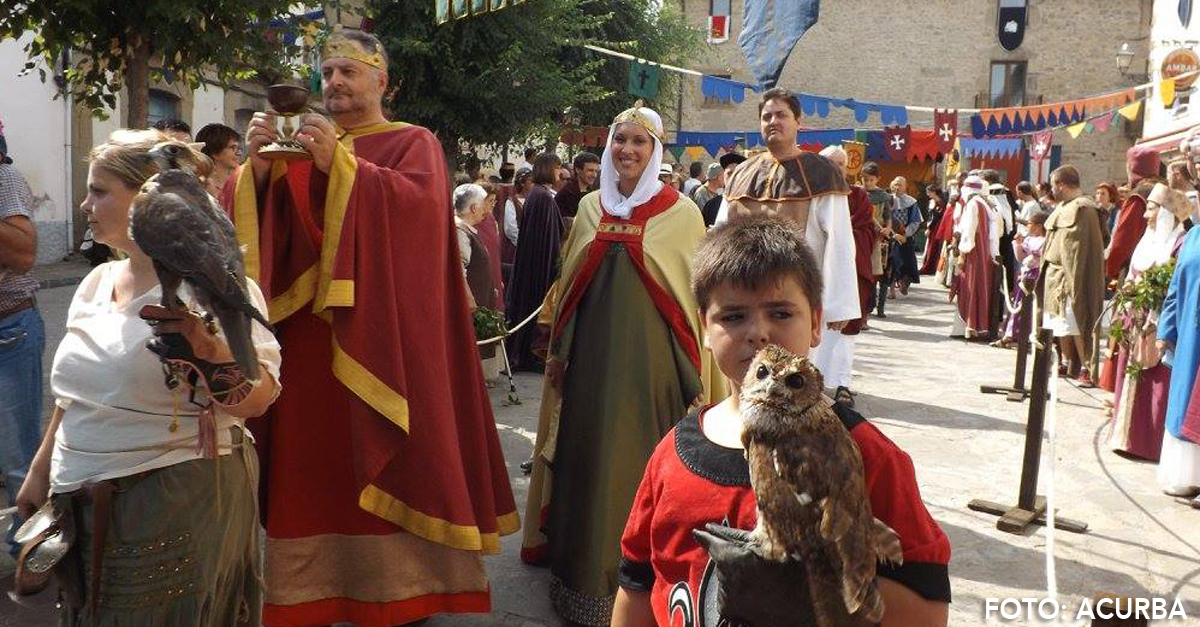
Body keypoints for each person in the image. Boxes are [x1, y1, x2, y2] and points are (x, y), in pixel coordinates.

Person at [229, 29, 518, 626]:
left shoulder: (415, 143)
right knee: (315, 468)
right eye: (327, 72)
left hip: (385, 342)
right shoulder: (302, 144)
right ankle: (313, 590)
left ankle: (405, 591)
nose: (333, 82)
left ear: (381, 81)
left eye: (348, 72)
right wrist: (257, 174)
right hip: (309, 345)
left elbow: (417, 219)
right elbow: (269, 244)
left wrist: (340, 165)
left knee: (391, 459)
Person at [611, 214, 952, 627]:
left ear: (815, 322)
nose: (759, 333)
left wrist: (825, 590)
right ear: (704, 326)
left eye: (781, 313)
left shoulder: (870, 455)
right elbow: (638, 585)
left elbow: (925, 605)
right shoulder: (672, 454)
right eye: (733, 317)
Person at [16, 129, 280, 625]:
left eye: (99, 190)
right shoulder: (96, 281)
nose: (84, 203)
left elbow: (259, 397)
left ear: (149, 196)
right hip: (82, 501)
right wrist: (41, 470)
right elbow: (75, 394)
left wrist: (207, 349)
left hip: (171, 502)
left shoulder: (217, 286)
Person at [520, 102, 726, 626]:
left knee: (639, 465)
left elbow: (691, 301)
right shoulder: (590, 207)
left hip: (651, 374)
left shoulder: (681, 213)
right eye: (620, 140)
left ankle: (636, 588)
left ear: (655, 152)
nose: (627, 150)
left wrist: (694, 375)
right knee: (586, 461)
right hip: (588, 368)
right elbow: (568, 287)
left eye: (639, 142)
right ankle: (579, 580)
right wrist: (559, 350)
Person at [715, 88, 860, 330]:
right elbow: (719, 235)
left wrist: (838, 305)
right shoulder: (741, 173)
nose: (773, 121)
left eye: (781, 115)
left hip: (795, 298)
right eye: (766, 117)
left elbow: (840, 240)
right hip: (742, 292)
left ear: (798, 122)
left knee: (794, 366)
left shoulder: (822, 172)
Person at [1107, 183, 1189, 461]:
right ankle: (1125, 438)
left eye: (1151, 209)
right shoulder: (1147, 239)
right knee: (1131, 377)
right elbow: (1132, 273)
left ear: (1166, 212)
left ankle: (1149, 443)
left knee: (1156, 382)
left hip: (1159, 323)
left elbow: (1176, 286)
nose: (1145, 216)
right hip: (1135, 318)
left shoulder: (1179, 244)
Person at [0, 126, 42, 556]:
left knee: (17, 460)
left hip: (7, 330)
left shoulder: (5, 179)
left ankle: (30, 550)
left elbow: (23, 253)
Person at [813, 144, 877, 406]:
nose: (836, 168)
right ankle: (813, 382)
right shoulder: (810, 193)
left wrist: (841, 235)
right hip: (815, 272)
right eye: (831, 163)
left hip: (847, 271)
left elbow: (866, 230)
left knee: (845, 330)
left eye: (840, 164)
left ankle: (841, 383)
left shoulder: (858, 195)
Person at [1042, 165, 1106, 386]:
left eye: (1054, 185)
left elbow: (1082, 251)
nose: (1052, 190)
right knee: (1060, 323)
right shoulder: (1063, 207)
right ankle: (1066, 361)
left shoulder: (1085, 209)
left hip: (1075, 275)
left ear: (1061, 184)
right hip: (1056, 275)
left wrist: (1075, 278)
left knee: (1076, 319)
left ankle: (1087, 366)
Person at [507, 151, 564, 372]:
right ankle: (529, 356)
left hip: (535, 263)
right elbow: (548, 240)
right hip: (539, 266)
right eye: (557, 168)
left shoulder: (540, 195)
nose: (560, 172)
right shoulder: (542, 198)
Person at [1157, 217, 1200, 502]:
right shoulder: (1195, 235)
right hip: (1190, 333)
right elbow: (1175, 286)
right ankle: (1189, 476)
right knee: (1187, 401)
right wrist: (1165, 328)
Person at [992, 209, 1048, 349]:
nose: (1027, 226)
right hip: (1025, 275)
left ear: (1039, 225)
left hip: (1036, 276)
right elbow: (1021, 258)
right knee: (1017, 305)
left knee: (1030, 307)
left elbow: (1039, 254)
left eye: (1029, 223)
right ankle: (1011, 334)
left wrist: (1029, 248)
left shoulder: (1045, 241)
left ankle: (1026, 336)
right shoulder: (1029, 239)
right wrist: (1018, 244)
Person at [949, 175, 996, 339]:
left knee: (969, 286)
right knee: (977, 286)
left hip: (973, 253)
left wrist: (962, 254)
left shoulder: (973, 205)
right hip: (983, 251)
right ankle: (974, 325)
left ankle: (970, 326)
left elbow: (969, 232)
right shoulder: (985, 204)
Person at [1108, 145, 1161, 283]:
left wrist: (1111, 268)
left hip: (1137, 269)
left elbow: (1125, 237)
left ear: (1133, 167)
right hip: (1161, 267)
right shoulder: (1164, 189)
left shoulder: (1139, 194)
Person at [454, 183, 500, 313]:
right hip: (472, 310)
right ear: (474, 208)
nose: (486, 210)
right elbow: (459, 271)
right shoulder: (460, 231)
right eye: (483, 205)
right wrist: (471, 303)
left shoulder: (467, 229)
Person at [859, 163, 894, 317]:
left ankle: (877, 308)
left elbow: (888, 217)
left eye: (871, 180)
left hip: (878, 239)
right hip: (862, 236)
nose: (868, 183)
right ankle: (864, 311)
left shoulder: (884, 196)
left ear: (877, 179)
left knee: (878, 274)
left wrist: (887, 228)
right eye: (865, 179)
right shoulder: (858, 194)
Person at [888, 176, 921, 297]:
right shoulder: (888, 200)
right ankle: (891, 289)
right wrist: (892, 233)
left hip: (906, 237)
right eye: (895, 184)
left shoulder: (912, 202)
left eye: (900, 185)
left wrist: (905, 234)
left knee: (906, 263)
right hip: (890, 235)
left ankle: (904, 282)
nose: (897, 187)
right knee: (890, 264)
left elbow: (916, 221)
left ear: (905, 186)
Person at [195, 123, 243, 197]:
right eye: (233, 148)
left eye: (239, 148)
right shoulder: (201, 187)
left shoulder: (241, 184)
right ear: (215, 153)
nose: (239, 153)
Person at [700, 153, 746, 227]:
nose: (733, 178)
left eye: (737, 173)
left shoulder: (752, 205)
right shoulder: (711, 206)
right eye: (729, 173)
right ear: (724, 176)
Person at [555, 152, 601, 222]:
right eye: (590, 170)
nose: (594, 175)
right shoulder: (568, 192)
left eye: (596, 171)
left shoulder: (591, 191)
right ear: (578, 170)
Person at [919, 186, 947, 275]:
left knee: (933, 246)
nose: (927, 194)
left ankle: (930, 267)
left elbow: (935, 217)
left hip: (936, 226)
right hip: (934, 225)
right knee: (930, 246)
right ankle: (928, 266)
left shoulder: (940, 203)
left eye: (929, 192)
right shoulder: (934, 202)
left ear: (934, 192)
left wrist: (929, 228)